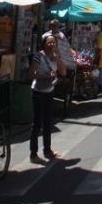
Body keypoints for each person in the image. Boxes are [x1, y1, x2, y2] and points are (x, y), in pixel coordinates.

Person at [27, 35, 66, 164]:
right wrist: (46, 76)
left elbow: (63, 72)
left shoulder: (55, 57)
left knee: (48, 121)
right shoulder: (38, 56)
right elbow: (30, 74)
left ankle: (47, 150)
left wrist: (58, 60)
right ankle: (33, 154)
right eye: (49, 42)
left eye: (53, 42)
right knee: (37, 123)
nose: (51, 45)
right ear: (43, 44)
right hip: (38, 92)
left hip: (49, 92)